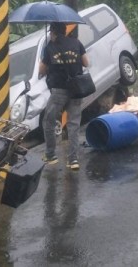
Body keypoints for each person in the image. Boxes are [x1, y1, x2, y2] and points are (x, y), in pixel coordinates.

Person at [39, 22, 90, 169]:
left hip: (58, 91)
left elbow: (41, 70)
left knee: (49, 121)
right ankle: (73, 160)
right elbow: (87, 63)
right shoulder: (76, 43)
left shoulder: (50, 48)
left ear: (53, 33)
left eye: (50, 33)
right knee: (74, 124)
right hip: (76, 89)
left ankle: (50, 156)